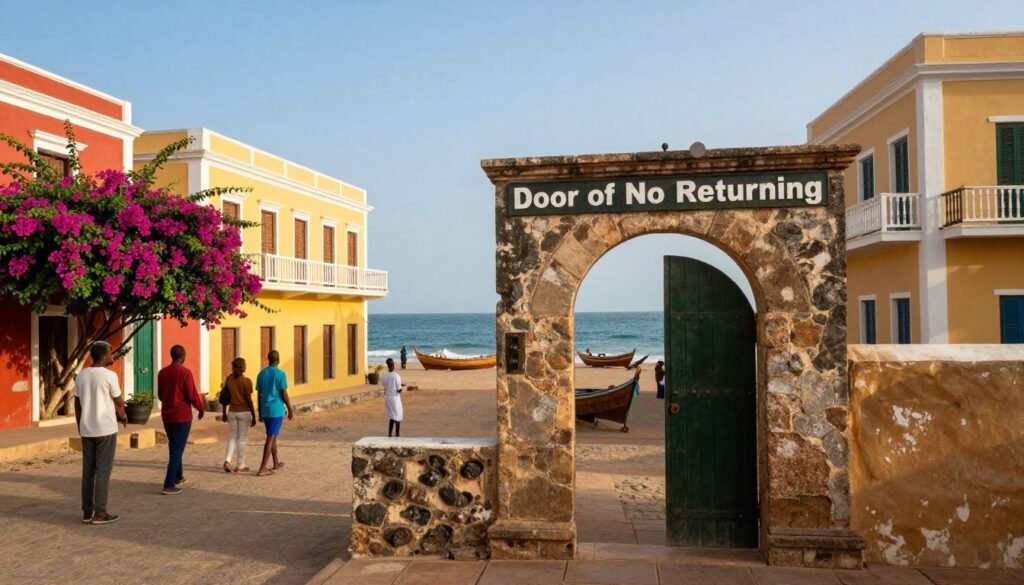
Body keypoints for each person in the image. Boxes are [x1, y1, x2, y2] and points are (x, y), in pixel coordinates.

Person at [74, 341, 127, 525]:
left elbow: (77, 404)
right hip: (105, 429)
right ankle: (100, 513)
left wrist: (79, 425)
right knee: (103, 471)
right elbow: (118, 400)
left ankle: (87, 512)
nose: (113, 355)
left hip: (87, 429)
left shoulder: (81, 376)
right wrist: (123, 414)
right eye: (111, 352)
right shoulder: (109, 376)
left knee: (88, 471)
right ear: (103, 356)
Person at [157, 345, 204, 495]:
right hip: (182, 416)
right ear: (183, 356)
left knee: (174, 445)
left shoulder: (162, 373)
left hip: (167, 415)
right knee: (177, 448)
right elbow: (192, 395)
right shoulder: (185, 373)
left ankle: (178, 476)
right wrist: (201, 408)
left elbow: (160, 395)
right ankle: (169, 483)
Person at [256, 350, 293, 476]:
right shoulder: (281, 374)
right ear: (278, 360)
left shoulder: (261, 374)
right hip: (276, 409)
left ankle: (275, 462)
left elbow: (259, 394)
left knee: (273, 436)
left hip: (265, 409)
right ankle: (262, 468)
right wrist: (290, 408)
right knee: (270, 437)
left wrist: (260, 411)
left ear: (268, 359)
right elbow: (284, 393)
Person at [222, 357, 256, 473]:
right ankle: (240, 465)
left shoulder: (229, 380)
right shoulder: (247, 381)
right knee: (242, 439)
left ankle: (227, 460)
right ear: (243, 368)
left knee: (232, 437)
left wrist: (224, 414)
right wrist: (254, 415)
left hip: (232, 411)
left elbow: (224, 398)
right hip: (244, 412)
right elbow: (249, 400)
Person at [382, 357, 403, 437]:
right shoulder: (396, 376)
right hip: (395, 398)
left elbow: (385, 386)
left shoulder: (384, 376)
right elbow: (399, 390)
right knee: (398, 416)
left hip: (388, 397)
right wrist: (401, 387)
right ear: (393, 365)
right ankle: (397, 434)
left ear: (388, 366)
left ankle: (390, 433)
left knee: (392, 416)